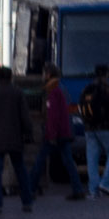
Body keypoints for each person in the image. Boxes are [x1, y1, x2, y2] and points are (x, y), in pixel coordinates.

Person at [0, 64, 38, 214]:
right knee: (20, 170)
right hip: (15, 138)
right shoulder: (17, 93)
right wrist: (28, 133)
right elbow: (25, 116)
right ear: (10, 77)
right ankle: (27, 201)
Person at [76, 64, 109, 199]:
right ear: (106, 74)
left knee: (92, 159)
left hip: (90, 129)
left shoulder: (87, 88)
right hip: (107, 128)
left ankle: (93, 190)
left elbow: (81, 107)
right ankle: (106, 183)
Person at [40, 70, 81, 202]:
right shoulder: (62, 88)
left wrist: (51, 134)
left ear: (48, 74)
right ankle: (78, 189)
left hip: (57, 133)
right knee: (68, 161)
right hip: (64, 132)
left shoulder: (53, 90)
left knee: (40, 161)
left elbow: (53, 115)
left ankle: (29, 189)